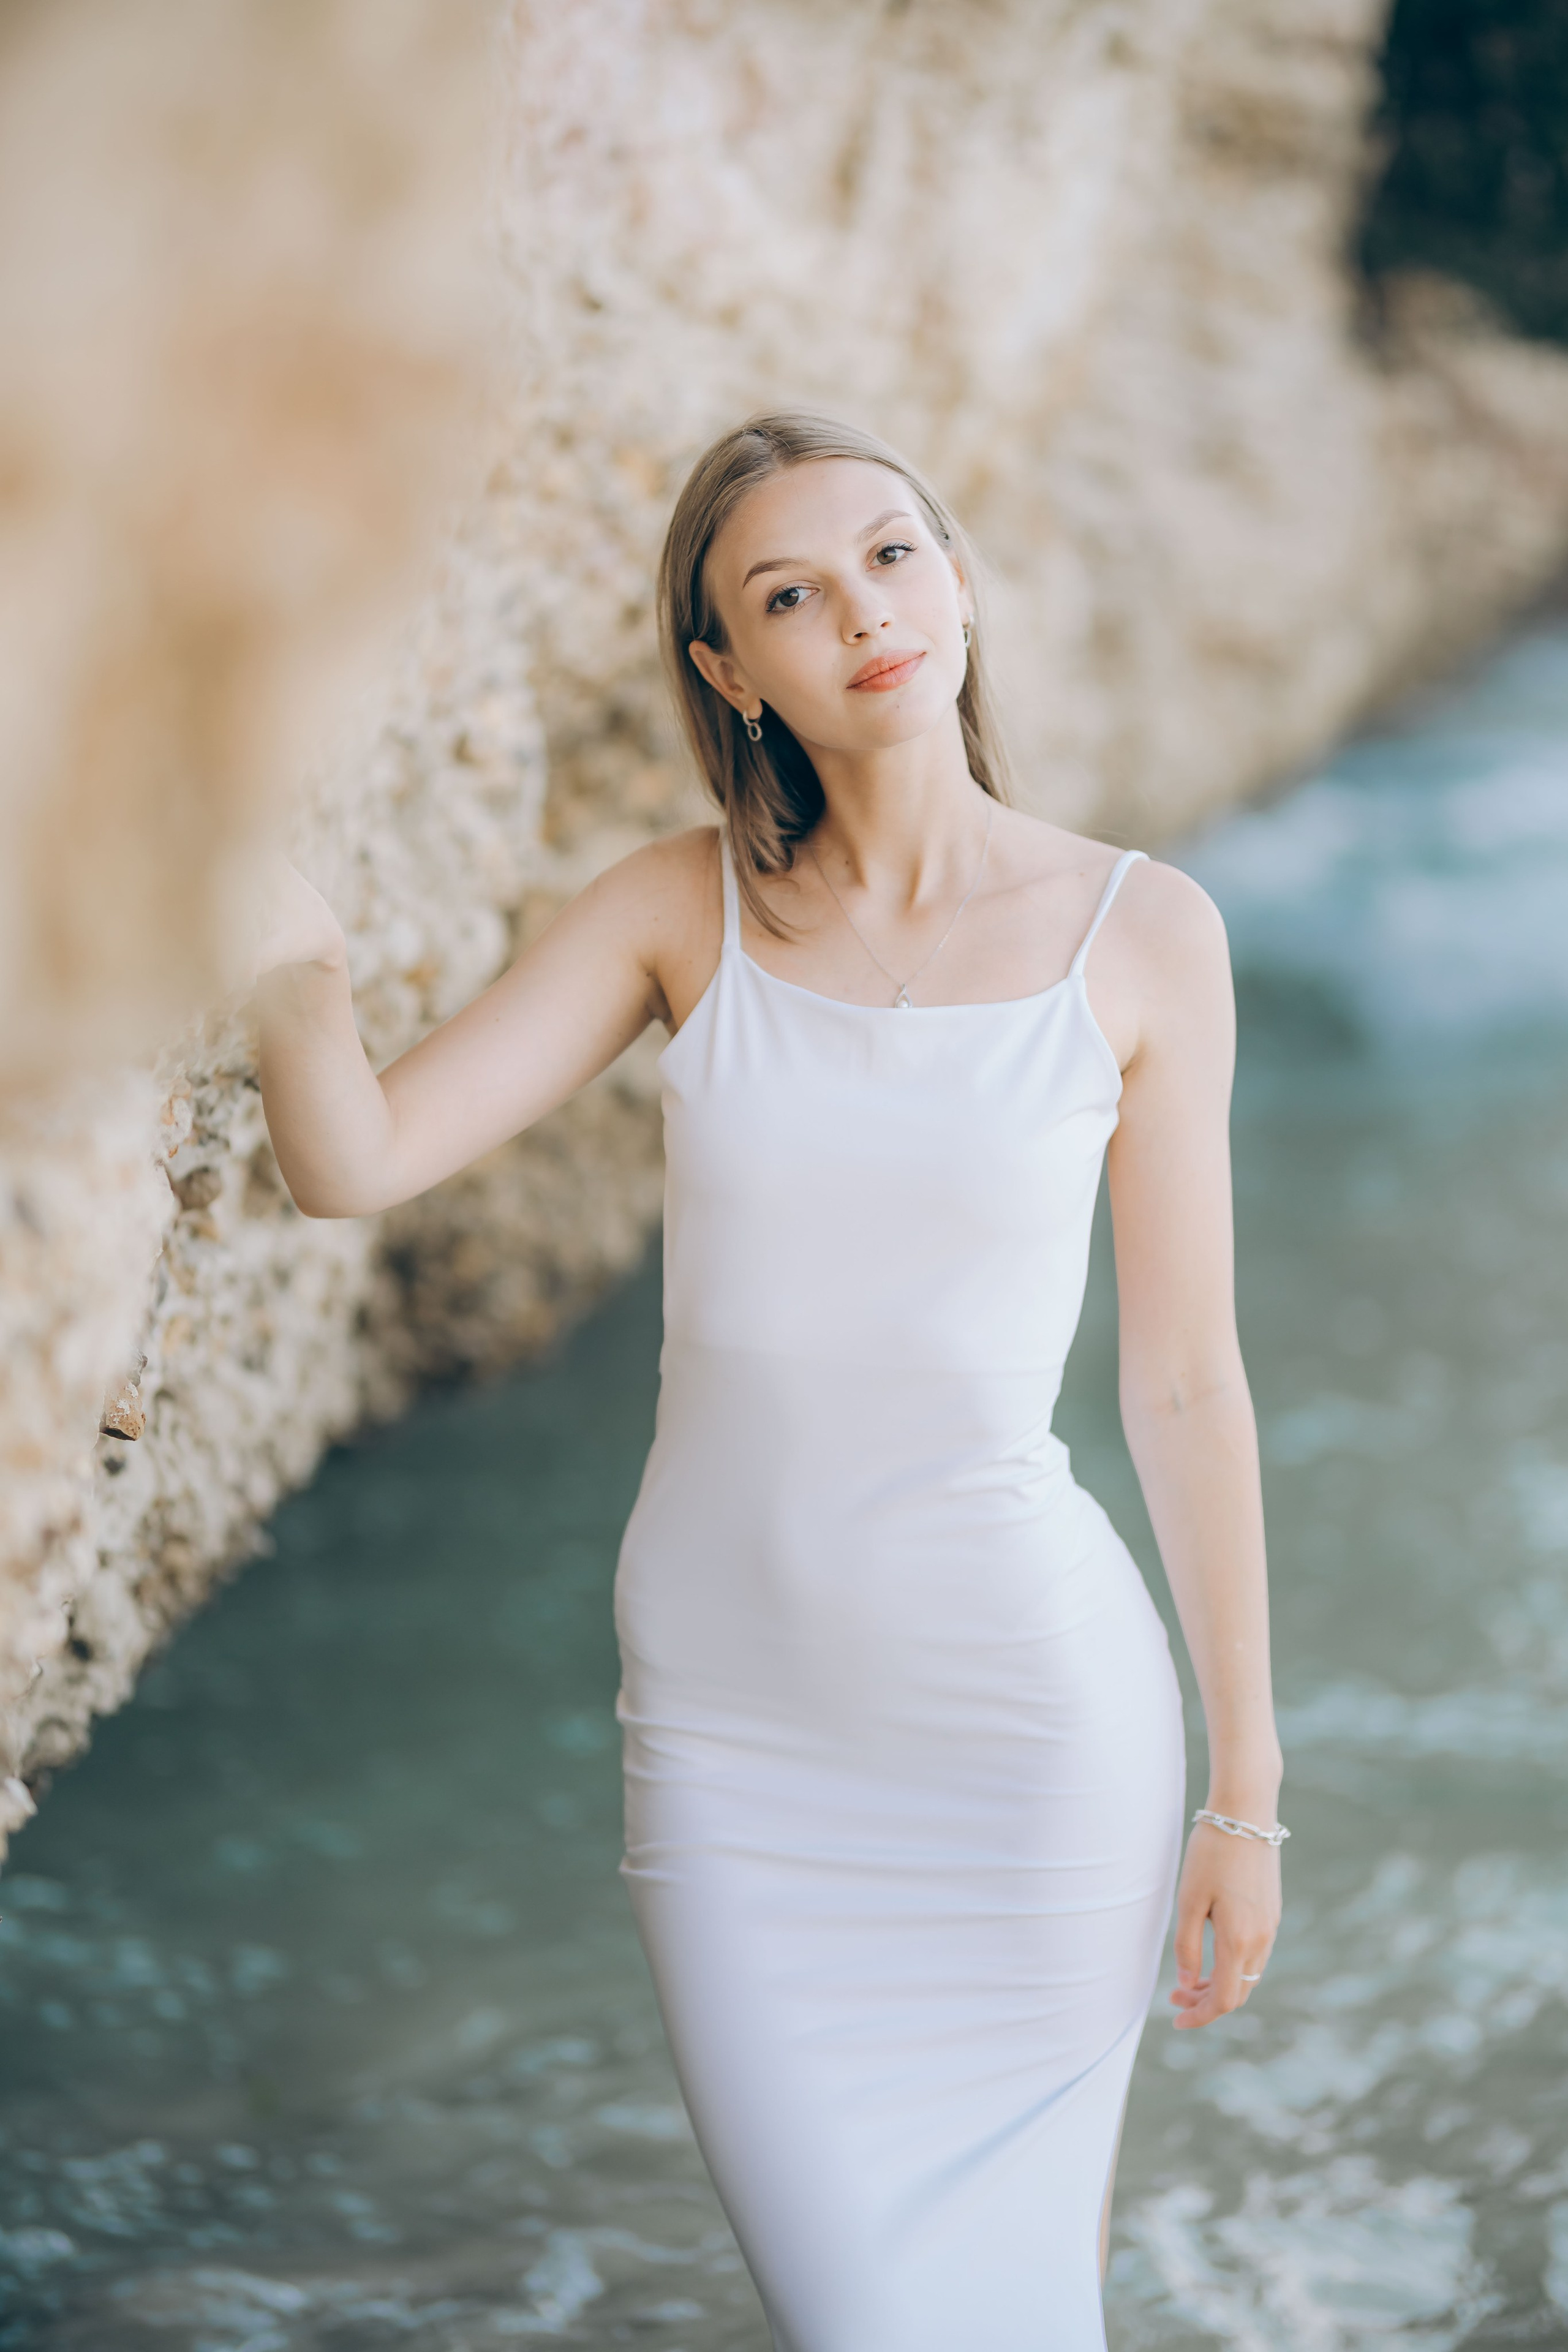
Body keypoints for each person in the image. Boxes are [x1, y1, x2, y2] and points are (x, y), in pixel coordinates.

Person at [254, 410, 1285, 2351]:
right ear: (731, 673)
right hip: (741, 1756)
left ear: (958, 579)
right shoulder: (681, 912)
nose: (864, 616)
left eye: (894, 556)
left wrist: (1249, 1786)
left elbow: (1187, 1385)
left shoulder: (1143, 934)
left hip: (1034, 1740)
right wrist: (283, 950)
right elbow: (356, 1161)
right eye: (790, 596)